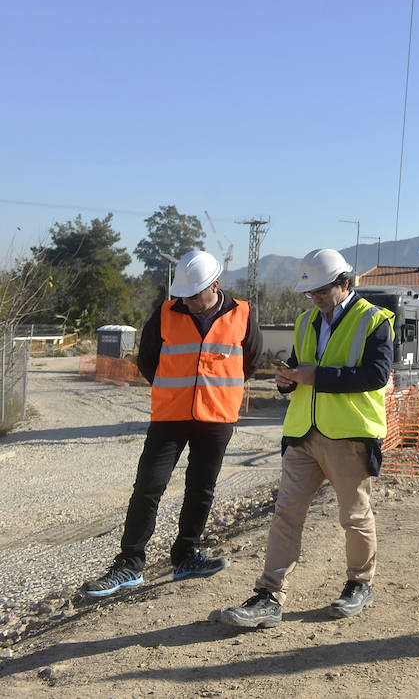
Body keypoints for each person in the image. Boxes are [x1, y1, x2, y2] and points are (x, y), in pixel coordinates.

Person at [220, 248, 394, 628]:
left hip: (349, 435)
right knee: (286, 514)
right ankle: (269, 595)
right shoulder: (306, 321)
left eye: (320, 291)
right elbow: (301, 370)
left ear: (343, 284)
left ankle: (359, 584)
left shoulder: (374, 320)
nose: (313, 298)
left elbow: (376, 376)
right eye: (309, 293)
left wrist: (317, 376)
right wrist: (286, 381)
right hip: (303, 434)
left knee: (353, 515)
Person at [82, 250, 262, 597]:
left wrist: (220, 393)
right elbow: (147, 361)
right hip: (169, 417)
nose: (190, 302)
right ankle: (129, 564)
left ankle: (186, 555)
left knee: (201, 488)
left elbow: (249, 364)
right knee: (149, 486)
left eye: (196, 295)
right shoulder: (165, 314)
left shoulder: (242, 314)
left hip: (216, 418)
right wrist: (174, 392)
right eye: (184, 295)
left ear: (215, 285)